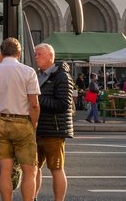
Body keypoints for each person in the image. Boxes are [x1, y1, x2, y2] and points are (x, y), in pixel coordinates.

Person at [0, 37, 40, 201]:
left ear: (1, 53)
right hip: (22, 122)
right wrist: (33, 124)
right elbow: (34, 104)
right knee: (29, 170)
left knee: (5, 170)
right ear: (19, 53)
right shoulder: (28, 72)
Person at [33, 43, 73, 201]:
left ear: (50, 56)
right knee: (34, 168)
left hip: (54, 131)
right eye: (35, 54)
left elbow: (63, 105)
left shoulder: (62, 76)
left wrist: (38, 99)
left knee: (56, 168)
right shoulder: (37, 75)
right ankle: (33, 197)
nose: (36, 57)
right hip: (37, 129)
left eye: (39, 54)